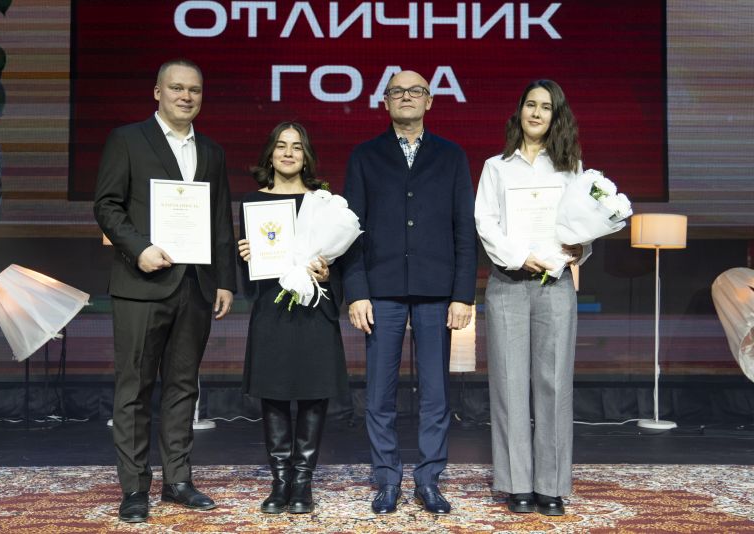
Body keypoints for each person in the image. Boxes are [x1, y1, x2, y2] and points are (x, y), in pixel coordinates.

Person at [93, 59, 236, 523]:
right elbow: (107, 206)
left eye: (194, 89)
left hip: (195, 285)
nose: (185, 96)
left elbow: (220, 220)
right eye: (176, 88)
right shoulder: (127, 139)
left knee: (182, 388)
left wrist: (225, 280)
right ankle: (135, 488)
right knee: (134, 388)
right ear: (157, 92)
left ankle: (177, 481)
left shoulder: (212, 151)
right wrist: (139, 249)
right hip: (141, 283)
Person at [342, 70, 477, 515]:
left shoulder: (451, 155)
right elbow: (350, 230)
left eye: (415, 91)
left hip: (438, 291)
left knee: (436, 393)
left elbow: (464, 229)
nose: (406, 97)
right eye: (397, 91)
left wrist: (463, 295)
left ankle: (429, 480)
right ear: (384, 102)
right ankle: (386, 480)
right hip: (380, 291)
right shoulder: (364, 156)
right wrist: (356, 291)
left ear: (429, 100)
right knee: (379, 394)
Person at [474, 79, 591, 517]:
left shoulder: (571, 168)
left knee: (554, 384)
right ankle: (516, 484)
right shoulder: (496, 167)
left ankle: (551, 486)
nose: (537, 113)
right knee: (509, 385)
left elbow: (583, 224)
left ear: (556, 116)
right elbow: (485, 222)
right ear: (519, 111)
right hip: (508, 282)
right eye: (530, 105)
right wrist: (520, 257)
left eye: (545, 107)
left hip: (555, 285)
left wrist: (580, 249)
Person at [237, 122, 349, 515]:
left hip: (314, 310)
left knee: (314, 393)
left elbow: (342, 262)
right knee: (274, 393)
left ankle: (302, 482)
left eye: (297, 147)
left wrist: (327, 274)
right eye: (281, 146)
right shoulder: (253, 202)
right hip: (272, 310)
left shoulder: (324, 202)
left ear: (306, 156)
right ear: (270, 154)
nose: (288, 153)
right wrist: (246, 258)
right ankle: (280, 482)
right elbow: (250, 279)